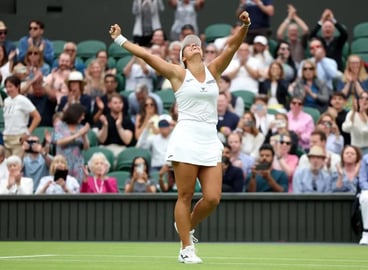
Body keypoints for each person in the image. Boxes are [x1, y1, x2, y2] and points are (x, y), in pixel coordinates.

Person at [109, 10, 250, 263]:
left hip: (209, 140)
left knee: (212, 198)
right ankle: (186, 249)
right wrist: (120, 39)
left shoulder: (214, 70)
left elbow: (232, 47)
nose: (194, 45)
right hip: (185, 138)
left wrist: (245, 27)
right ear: (183, 56)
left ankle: (184, 225)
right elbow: (147, 55)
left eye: (197, 43)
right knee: (184, 196)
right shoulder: (177, 73)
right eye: (188, 45)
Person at [2, 75, 41, 158]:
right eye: (6, 87)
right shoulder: (6, 101)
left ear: (17, 87)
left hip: (19, 138)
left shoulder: (23, 100)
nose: (8, 89)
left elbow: (37, 117)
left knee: (17, 164)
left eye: (10, 86)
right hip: (7, 137)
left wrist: (28, 132)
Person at [53, 103, 90, 182]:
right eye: (81, 115)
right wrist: (78, 135)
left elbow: (86, 147)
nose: (83, 118)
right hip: (62, 163)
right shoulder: (60, 126)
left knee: (76, 188)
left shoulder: (81, 127)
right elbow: (59, 142)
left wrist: (83, 135)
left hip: (77, 164)